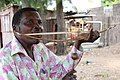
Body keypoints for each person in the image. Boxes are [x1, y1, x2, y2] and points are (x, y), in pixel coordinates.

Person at [0, 7, 99, 80]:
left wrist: (78, 43)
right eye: (29, 22)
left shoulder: (40, 49)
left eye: (39, 22)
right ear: (15, 28)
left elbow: (61, 70)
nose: (37, 27)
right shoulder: (4, 58)